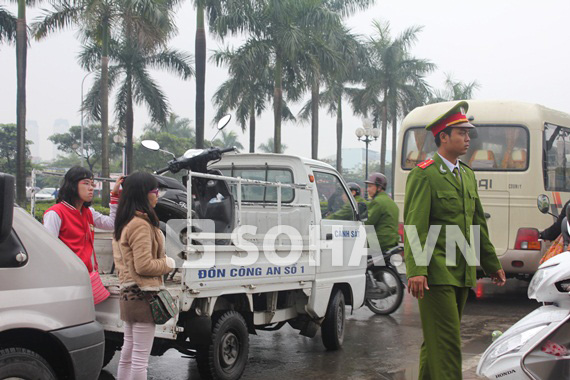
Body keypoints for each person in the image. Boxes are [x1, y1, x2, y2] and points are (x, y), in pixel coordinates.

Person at [404, 101, 506, 380]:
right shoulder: (425, 174)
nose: (467, 138)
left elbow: (477, 225)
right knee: (448, 344)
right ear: (443, 137)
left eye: (468, 133)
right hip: (435, 273)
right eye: (461, 133)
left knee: (438, 341)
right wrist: (417, 269)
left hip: (461, 270)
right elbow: (415, 224)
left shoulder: (467, 175)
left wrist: (491, 263)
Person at [112, 172, 175, 380]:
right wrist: (168, 263)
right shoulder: (140, 224)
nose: (157, 196)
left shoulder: (126, 221)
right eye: (155, 191)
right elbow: (144, 265)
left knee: (128, 356)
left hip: (129, 295)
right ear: (143, 194)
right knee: (139, 360)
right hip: (143, 296)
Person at [43, 166, 124, 272]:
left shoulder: (88, 212)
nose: (91, 188)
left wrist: (115, 196)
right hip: (67, 275)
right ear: (72, 185)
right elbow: (48, 249)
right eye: (86, 183)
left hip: (88, 275)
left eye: (92, 184)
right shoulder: (55, 214)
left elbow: (112, 224)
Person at [364, 173, 399, 251]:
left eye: (370, 186)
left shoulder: (377, 202)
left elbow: (367, 223)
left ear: (379, 188)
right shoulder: (391, 202)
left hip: (380, 244)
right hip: (392, 243)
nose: (368, 190)